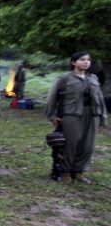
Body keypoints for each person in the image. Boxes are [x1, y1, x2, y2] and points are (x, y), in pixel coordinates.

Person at [46, 52, 108, 183]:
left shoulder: (93, 78)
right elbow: (52, 97)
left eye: (88, 60)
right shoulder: (64, 78)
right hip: (71, 114)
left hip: (92, 114)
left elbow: (100, 99)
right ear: (73, 62)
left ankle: (79, 171)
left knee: (88, 145)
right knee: (71, 144)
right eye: (82, 59)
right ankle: (66, 171)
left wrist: (103, 117)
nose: (86, 62)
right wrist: (52, 115)